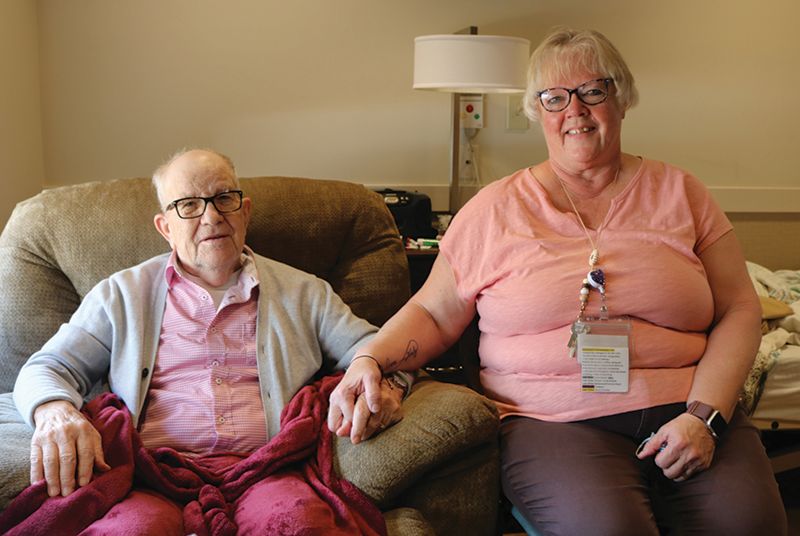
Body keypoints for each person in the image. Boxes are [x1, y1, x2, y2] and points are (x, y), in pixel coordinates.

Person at [328, 27, 788, 535]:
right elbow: (435, 313)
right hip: (554, 424)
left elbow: (740, 309)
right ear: (537, 111)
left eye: (595, 90)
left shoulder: (683, 193)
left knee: (752, 524)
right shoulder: (493, 210)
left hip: (689, 405)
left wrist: (705, 417)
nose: (576, 110)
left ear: (623, 98)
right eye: (555, 98)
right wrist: (369, 358)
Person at [11, 148, 408, 532]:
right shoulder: (121, 294)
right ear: (165, 227)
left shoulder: (304, 292)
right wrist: (54, 412)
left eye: (224, 198)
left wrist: (379, 378)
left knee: (301, 525)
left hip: (266, 471)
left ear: (245, 211)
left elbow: (377, 350)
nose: (212, 216)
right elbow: (47, 367)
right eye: (189, 204)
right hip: (150, 476)